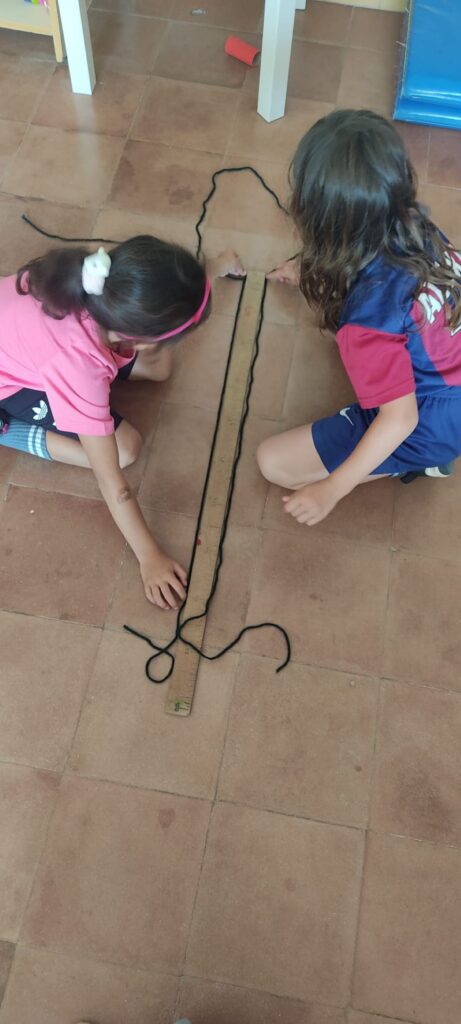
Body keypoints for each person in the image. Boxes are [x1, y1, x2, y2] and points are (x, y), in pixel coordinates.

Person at [0, 235, 244, 607]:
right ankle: (9, 430)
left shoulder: (100, 283)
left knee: (160, 369)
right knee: (126, 450)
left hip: (33, 347)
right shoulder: (80, 367)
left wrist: (215, 265)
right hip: (10, 383)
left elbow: (170, 287)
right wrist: (150, 557)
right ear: (140, 339)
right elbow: (111, 482)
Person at [258, 108, 461, 525]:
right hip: (448, 384)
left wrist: (333, 489)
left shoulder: (366, 324)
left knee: (274, 463)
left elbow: (401, 419)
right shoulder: (414, 221)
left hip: (433, 423)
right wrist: (307, 268)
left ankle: (419, 463)